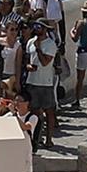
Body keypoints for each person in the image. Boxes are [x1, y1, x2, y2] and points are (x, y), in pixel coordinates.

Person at [24, 19, 59, 147]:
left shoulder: (50, 44)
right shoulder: (30, 42)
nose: (37, 29)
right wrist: (28, 66)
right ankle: (36, 138)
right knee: (34, 112)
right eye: (35, 26)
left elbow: (45, 62)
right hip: (32, 81)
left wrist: (38, 49)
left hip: (46, 83)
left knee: (49, 111)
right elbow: (27, 59)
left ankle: (49, 139)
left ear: (45, 29)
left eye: (40, 27)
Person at [11, 94, 40, 172]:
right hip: (12, 153)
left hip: (25, 153)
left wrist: (13, 115)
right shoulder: (10, 116)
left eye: (20, 101)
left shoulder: (32, 117)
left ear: (27, 103)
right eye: (15, 101)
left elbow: (25, 127)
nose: (17, 103)